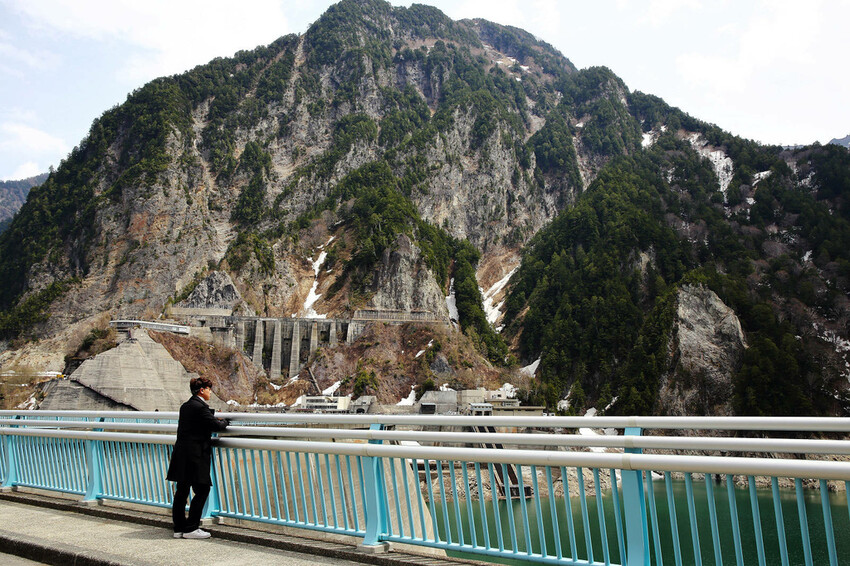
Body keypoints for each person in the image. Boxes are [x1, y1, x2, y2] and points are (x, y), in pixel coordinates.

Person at [166, 377, 229, 539]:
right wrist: (225, 422)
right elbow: (216, 426)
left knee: (181, 491)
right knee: (202, 489)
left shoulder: (186, 406)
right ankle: (191, 528)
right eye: (209, 389)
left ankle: (179, 528)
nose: (210, 392)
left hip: (181, 454)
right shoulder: (200, 407)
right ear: (202, 390)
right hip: (195, 456)